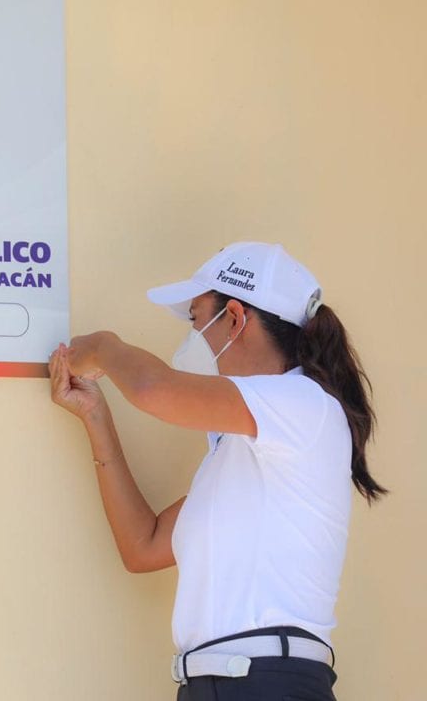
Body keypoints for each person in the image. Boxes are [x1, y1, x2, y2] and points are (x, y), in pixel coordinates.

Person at [48, 242, 386, 700]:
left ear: (234, 317)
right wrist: (95, 417)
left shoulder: (305, 406)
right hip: (213, 682)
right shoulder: (239, 451)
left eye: (195, 319)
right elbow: (143, 546)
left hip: (266, 681)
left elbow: (152, 388)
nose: (192, 338)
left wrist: (106, 347)